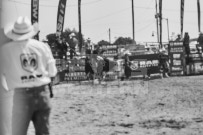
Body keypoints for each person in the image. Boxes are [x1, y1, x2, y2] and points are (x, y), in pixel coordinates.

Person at [0, 16, 57, 135]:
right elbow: (52, 72)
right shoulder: (42, 47)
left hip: (21, 94)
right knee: (43, 132)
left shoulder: (5, 50)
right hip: (42, 92)